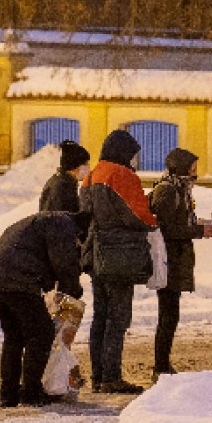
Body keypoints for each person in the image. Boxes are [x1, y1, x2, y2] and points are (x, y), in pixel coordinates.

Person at [0, 211, 89, 408]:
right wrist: (72, 287)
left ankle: (8, 393)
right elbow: (62, 261)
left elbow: (36, 254)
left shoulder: (46, 220)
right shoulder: (63, 224)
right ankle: (31, 391)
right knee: (42, 333)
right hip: (14, 278)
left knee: (15, 334)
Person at [80, 129, 157, 395]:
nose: (135, 160)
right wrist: (153, 214)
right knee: (118, 318)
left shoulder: (91, 175)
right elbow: (140, 216)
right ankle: (112, 377)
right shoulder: (120, 175)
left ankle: (98, 375)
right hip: (119, 256)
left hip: (96, 254)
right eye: (133, 154)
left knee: (100, 316)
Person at [148, 147, 212, 382]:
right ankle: (160, 365)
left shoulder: (179, 189)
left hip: (175, 259)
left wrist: (197, 225)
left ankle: (162, 364)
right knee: (168, 315)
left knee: (170, 314)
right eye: (192, 167)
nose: (195, 171)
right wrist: (197, 230)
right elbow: (166, 228)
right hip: (168, 261)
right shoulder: (168, 191)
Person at [39, 140, 90, 213]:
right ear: (74, 166)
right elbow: (65, 218)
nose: (88, 167)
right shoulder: (62, 187)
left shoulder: (65, 182)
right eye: (85, 164)